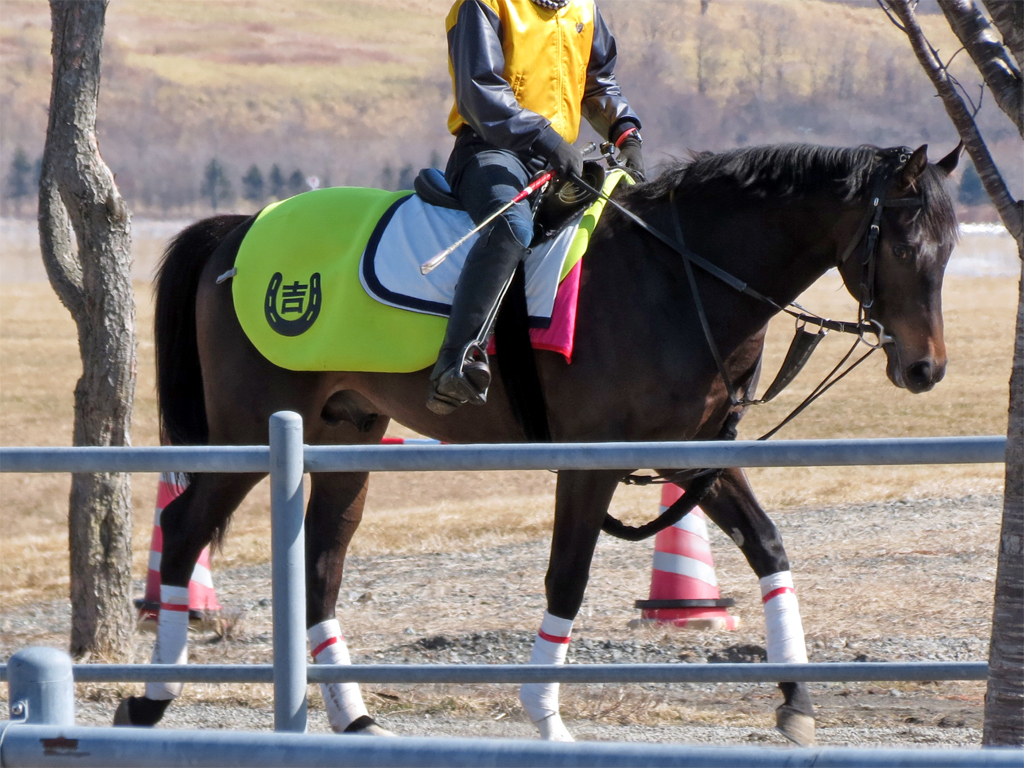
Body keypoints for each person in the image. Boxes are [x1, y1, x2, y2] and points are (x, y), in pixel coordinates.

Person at [427, 0, 644, 415]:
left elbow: (598, 83)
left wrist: (625, 133)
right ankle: (453, 365)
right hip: (491, 152)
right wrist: (545, 139)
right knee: (510, 227)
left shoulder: (584, 7)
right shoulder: (484, 4)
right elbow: (480, 92)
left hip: (557, 156)